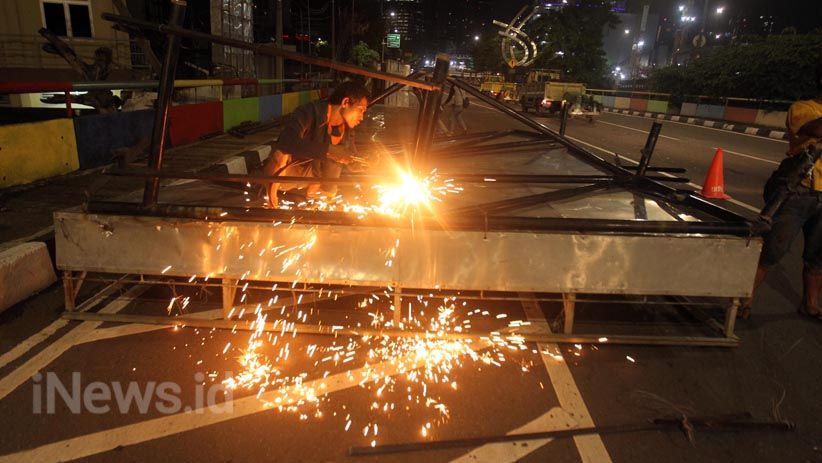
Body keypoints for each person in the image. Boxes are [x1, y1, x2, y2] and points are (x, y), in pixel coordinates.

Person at [742, 68, 822, 320]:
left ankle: (810, 304)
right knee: (772, 250)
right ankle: (743, 301)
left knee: (818, 257)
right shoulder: (803, 108)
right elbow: (815, 130)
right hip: (798, 191)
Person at [263, 81, 369, 207]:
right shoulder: (308, 112)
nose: (362, 117)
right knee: (281, 153)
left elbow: (351, 158)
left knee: (340, 154)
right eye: (360, 110)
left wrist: (366, 161)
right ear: (345, 102)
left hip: (315, 175)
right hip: (291, 170)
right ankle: (271, 196)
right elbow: (287, 141)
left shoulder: (346, 129)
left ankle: (321, 198)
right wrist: (330, 150)